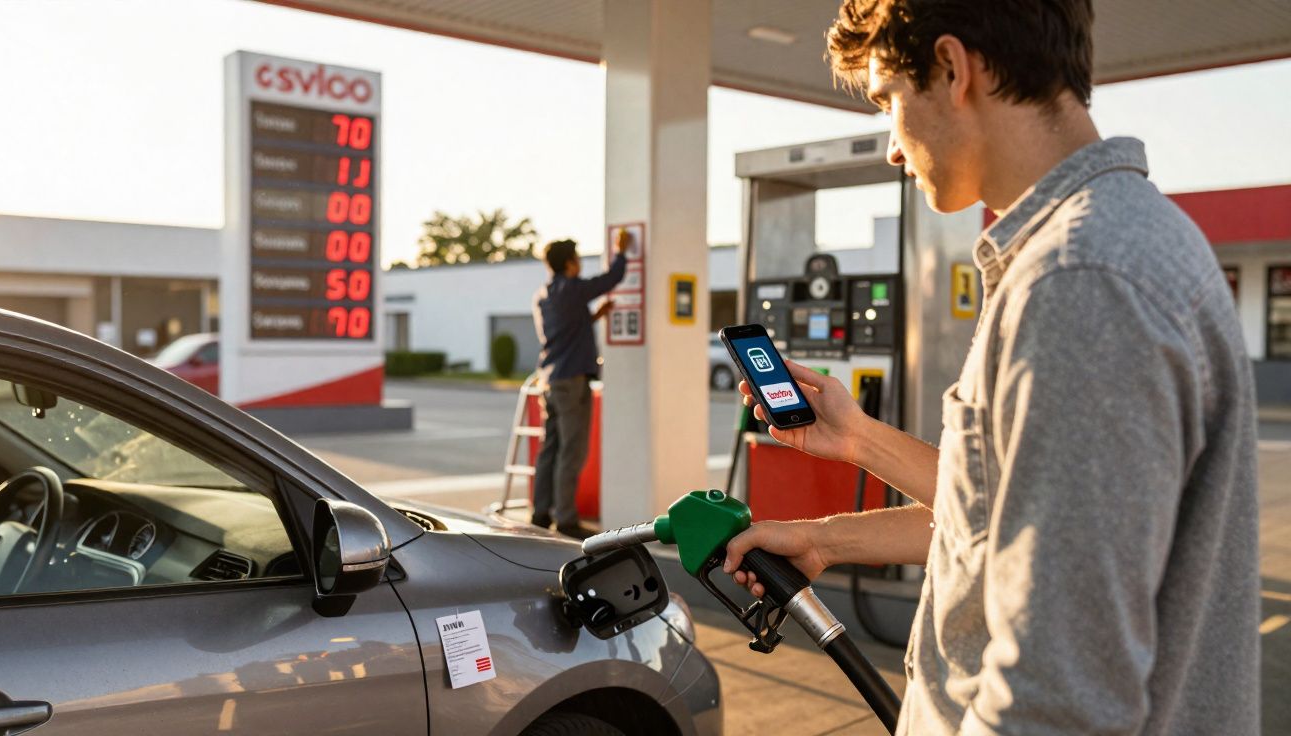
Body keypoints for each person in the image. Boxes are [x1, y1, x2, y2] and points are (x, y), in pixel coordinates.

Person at [723, 1, 1259, 733]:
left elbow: (1055, 699)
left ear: (952, 68)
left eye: (889, 100)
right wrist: (839, 493)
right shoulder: (1108, 247)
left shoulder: (1081, 282)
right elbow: (1006, 521)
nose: (891, 145)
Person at [530, 233, 629, 538]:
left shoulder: (545, 294)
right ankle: (567, 519)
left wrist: (594, 316)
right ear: (570, 263)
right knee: (572, 451)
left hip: (551, 379)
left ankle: (541, 513)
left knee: (551, 448)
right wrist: (620, 251)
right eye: (578, 259)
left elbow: (566, 330)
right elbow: (612, 277)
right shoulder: (572, 289)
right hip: (573, 381)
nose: (580, 265)